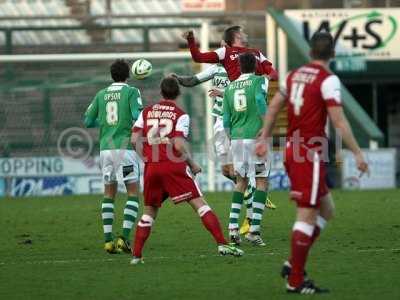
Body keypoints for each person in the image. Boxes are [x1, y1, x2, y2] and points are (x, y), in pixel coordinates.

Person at [255, 32, 369, 294]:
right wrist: (358, 153)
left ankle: (293, 262)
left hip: (293, 149)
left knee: (327, 210)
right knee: (307, 214)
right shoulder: (328, 80)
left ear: (309, 53)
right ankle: (295, 280)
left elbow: (273, 107)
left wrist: (264, 137)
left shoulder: (294, 75)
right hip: (308, 151)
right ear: (333, 55)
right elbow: (339, 121)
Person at [130, 77, 244, 264]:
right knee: (200, 204)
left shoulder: (146, 112)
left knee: (149, 211)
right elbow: (178, 143)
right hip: (174, 166)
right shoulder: (180, 115)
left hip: (152, 167)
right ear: (178, 93)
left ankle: (136, 256)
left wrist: (146, 158)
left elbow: (134, 139)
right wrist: (191, 163)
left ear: (161, 92)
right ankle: (222, 244)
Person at [84, 59, 143, 254]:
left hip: (105, 150)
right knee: (133, 192)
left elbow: (88, 120)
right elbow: (137, 115)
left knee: (109, 193)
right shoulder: (132, 92)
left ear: (111, 75)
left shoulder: (101, 94)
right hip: (124, 148)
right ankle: (124, 238)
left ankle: (108, 240)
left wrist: (107, 123)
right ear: (128, 74)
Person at [223, 52, 271, 247]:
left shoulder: (229, 87)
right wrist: (266, 126)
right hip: (255, 138)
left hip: (236, 139)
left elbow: (225, 120)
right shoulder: (258, 81)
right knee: (261, 181)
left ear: (239, 67)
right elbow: (260, 101)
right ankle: (254, 230)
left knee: (241, 181)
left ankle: (233, 227)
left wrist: (231, 138)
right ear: (256, 65)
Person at [182, 25, 278, 81]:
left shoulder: (257, 52)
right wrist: (191, 39)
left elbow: (273, 73)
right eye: (243, 33)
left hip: (256, 98)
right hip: (237, 99)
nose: (246, 35)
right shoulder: (225, 52)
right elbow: (198, 57)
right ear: (237, 35)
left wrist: (268, 77)